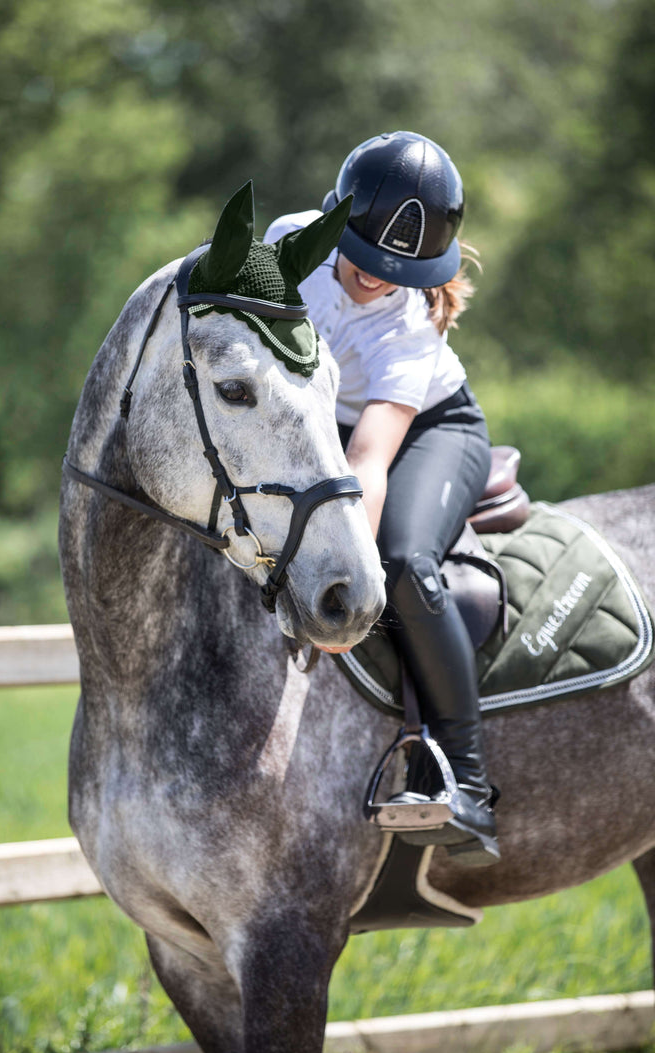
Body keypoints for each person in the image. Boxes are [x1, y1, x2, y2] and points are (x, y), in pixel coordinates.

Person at [264, 131, 499, 866]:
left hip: (430, 429)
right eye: (363, 261)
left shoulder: (410, 328)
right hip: (320, 420)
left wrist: (344, 585)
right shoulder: (284, 246)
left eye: (399, 272)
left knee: (400, 560)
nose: (375, 279)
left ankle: (468, 782)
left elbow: (369, 462)